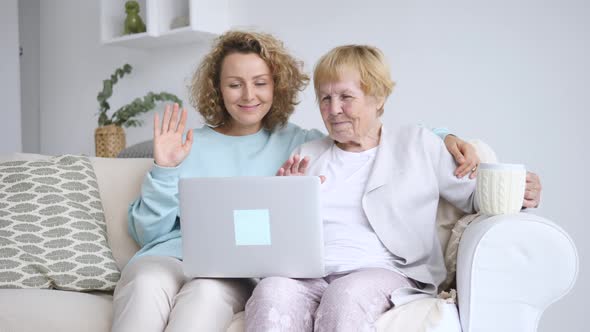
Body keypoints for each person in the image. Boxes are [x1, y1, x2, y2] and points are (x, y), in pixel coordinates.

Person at [111, 31, 481, 332]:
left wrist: (447, 138)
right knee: (152, 285)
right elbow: (148, 231)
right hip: (180, 257)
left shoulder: (297, 142)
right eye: (235, 84)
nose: (248, 95)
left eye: (260, 82)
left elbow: (396, 142)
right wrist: (164, 166)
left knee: (206, 299)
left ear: (277, 87)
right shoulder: (198, 144)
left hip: (237, 270)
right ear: (217, 89)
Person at [244, 44, 543, 331]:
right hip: (309, 274)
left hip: (386, 271)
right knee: (272, 290)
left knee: (346, 295)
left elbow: (474, 196)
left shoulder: (419, 144)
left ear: (378, 98)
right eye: (325, 98)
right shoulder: (308, 154)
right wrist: (287, 201)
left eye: (346, 97)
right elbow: (273, 239)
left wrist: (520, 193)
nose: (334, 110)